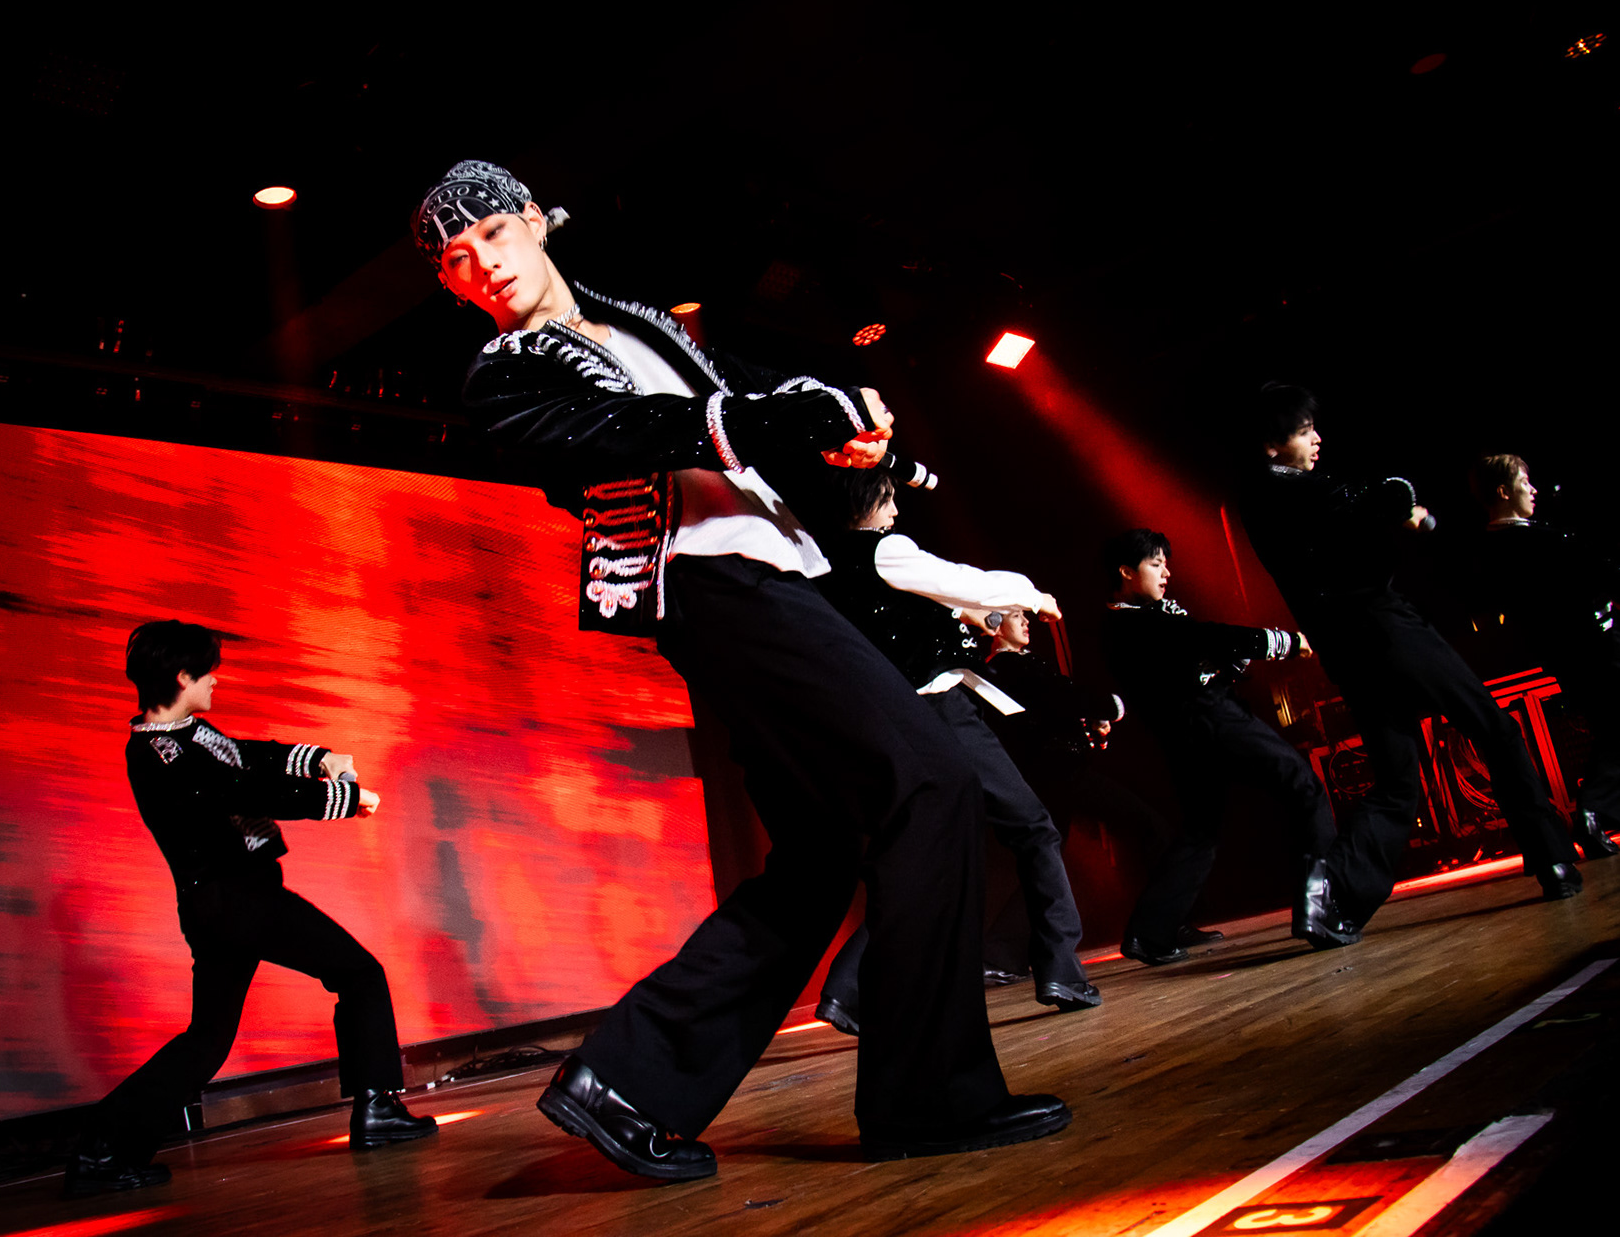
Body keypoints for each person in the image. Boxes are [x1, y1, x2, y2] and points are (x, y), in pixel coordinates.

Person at [415, 160, 1067, 1179]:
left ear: (536, 221)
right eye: (457, 260)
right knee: (932, 782)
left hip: (773, 572)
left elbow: (740, 405)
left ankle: (626, 1084)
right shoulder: (504, 375)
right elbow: (637, 433)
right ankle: (928, 1098)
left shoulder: (635, 324)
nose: (482, 264)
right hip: (711, 585)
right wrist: (765, 419)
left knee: (820, 851)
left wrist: (833, 426)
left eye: (492, 234)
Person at [66, 620, 432, 1199]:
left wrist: (315, 758)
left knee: (208, 1038)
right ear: (181, 677)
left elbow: (245, 758)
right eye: (206, 672)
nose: (215, 680)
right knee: (360, 973)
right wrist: (338, 798)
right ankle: (378, 1109)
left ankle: (103, 1147)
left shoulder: (188, 733)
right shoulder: (158, 753)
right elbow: (238, 789)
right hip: (233, 899)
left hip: (226, 902)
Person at [1238, 385, 1582, 949]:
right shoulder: (1303, 490)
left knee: (1398, 781)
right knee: (1495, 728)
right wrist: (1407, 511)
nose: (1317, 439)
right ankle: (1553, 860)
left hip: (1346, 649)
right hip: (1385, 626)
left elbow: (1349, 519)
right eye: (1304, 431)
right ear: (1272, 445)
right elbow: (1377, 499)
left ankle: (1333, 889)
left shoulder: (1258, 502)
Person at [807, 469, 1099, 1034]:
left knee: (925, 855)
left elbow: (936, 605)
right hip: (938, 711)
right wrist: (1030, 595)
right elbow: (966, 582)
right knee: (1033, 828)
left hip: (891, 720)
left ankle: (848, 989)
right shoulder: (883, 551)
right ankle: (1060, 966)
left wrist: (973, 616)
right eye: (889, 501)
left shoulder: (828, 565)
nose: (895, 513)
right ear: (868, 500)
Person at [1099, 529, 1336, 964]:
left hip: (1186, 732)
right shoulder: (1133, 622)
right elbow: (1203, 638)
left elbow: (1196, 648)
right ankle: (1319, 909)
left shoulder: (1142, 618)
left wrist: (1229, 660)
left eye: (1166, 564)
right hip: (1208, 717)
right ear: (1126, 571)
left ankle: (1150, 933)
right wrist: (1283, 642)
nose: (1167, 573)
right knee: (1303, 783)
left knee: (1201, 829)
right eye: (1156, 564)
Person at [1469, 453, 1620, 845]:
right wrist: (1616, 591)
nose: (1533, 490)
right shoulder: (1535, 540)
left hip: (1566, 654)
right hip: (1600, 639)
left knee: (1616, 727)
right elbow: (1583, 578)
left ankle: (1594, 813)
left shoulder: (1490, 550)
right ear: (1504, 491)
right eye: (1524, 482)